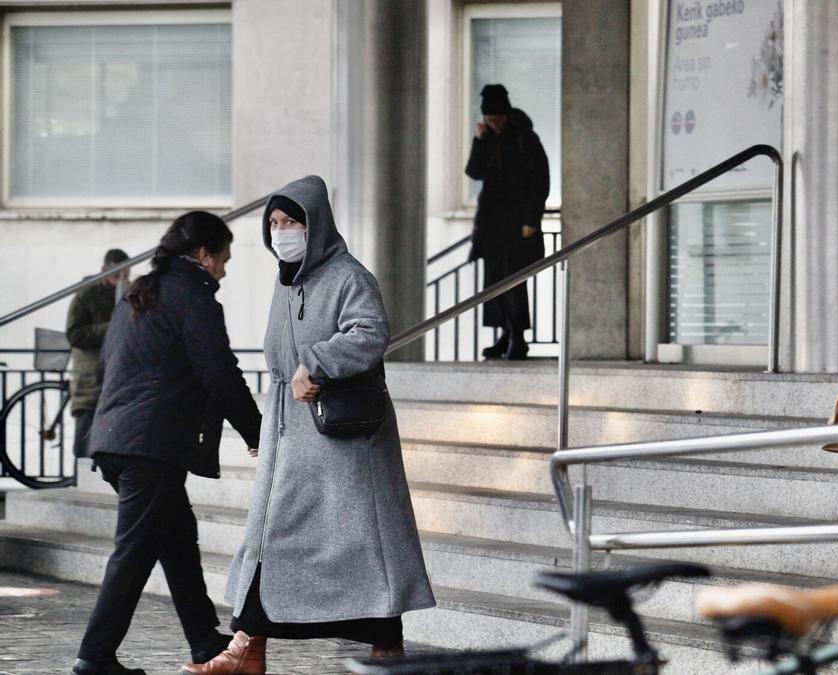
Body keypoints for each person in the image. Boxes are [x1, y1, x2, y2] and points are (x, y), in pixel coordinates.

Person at [191, 176, 435, 673]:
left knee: (363, 549)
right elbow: (281, 356)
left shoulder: (349, 276)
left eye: (291, 222)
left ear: (315, 224)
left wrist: (318, 362)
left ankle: (385, 651)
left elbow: (370, 332)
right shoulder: (287, 281)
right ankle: (247, 649)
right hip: (290, 437)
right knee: (268, 541)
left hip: (342, 442)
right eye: (274, 223)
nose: (281, 232)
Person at [73, 213, 263, 675]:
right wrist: (257, 433)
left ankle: (204, 639)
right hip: (150, 445)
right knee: (134, 552)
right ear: (203, 254)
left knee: (176, 539)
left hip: (117, 438)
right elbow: (219, 373)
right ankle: (94, 657)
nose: (224, 271)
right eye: (223, 260)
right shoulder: (191, 296)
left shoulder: (142, 293)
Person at [464, 83, 550, 360]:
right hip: (492, 226)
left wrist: (531, 219)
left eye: (496, 118)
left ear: (507, 114)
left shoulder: (525, 138)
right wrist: (479, 140)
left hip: (518, 225)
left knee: (514, 282)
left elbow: (540, 181)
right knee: (495, 283)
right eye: (488, 119)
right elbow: (474, 172)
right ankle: (505, 334)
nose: (493, 123)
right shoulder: (488, 139)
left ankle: (518, 337)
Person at [65, 248, 129, 459]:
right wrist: (111, 327)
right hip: (91, 381)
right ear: (104, 270)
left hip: (114, 379)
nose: (121, 280)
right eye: (116, 274)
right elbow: (74, 334)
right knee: (86, 444)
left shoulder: (128, 294)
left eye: (125, 275)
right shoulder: (86, 295)